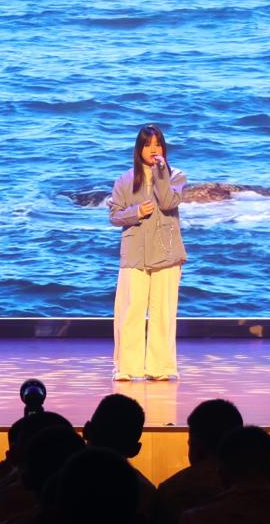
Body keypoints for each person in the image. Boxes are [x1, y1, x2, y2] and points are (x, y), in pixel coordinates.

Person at [108, 125, 186, 381]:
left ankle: (159, 367)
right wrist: (136, 212)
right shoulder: (124, 179)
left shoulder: (176, 176)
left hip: (166, 250)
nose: (153, 149)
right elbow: (114, 216)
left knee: (163, 312)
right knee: (131, 310)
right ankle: (127, 367)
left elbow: (168, 202)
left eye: (158, 144)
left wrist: (161, 173)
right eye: (148, 145)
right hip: (135, 252)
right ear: (139, 148)